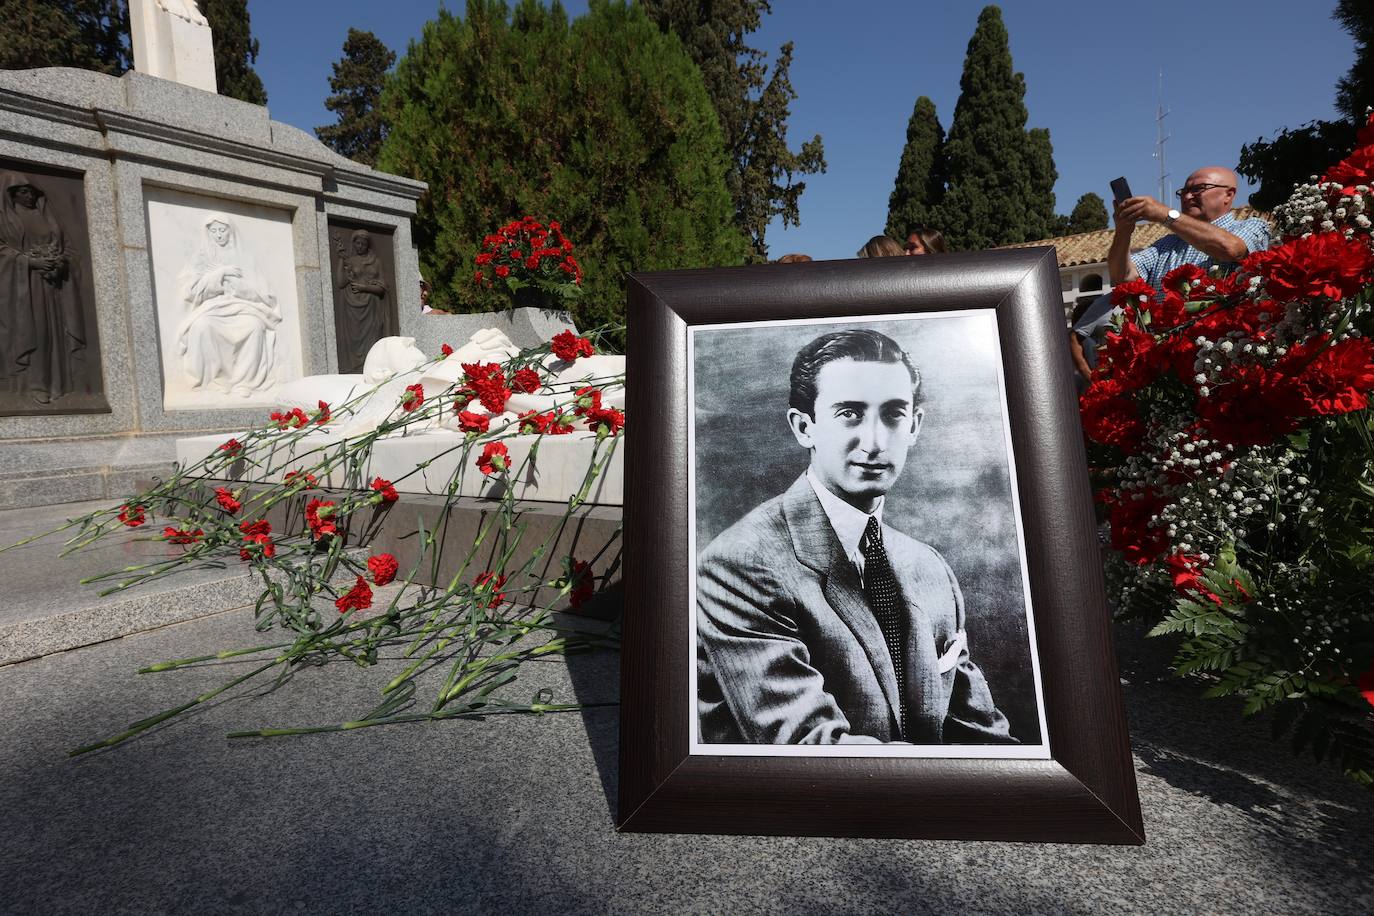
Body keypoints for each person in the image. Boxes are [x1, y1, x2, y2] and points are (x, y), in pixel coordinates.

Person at [696, 328, 1014, 745]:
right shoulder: (739, 564)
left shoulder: (930, 568)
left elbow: (982, 734)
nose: (874, 442)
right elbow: (813, 747)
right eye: (849, 413)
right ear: (803, 428)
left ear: (915, 426)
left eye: (894, 414)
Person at [1070, 166, 1272, 380]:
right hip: (1170, 370)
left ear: (1228, 194)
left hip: (1226, 365)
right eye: (1183, 191)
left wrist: (1166, 214)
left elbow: (1231, 249)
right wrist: (1123, 231)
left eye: (1198, 189)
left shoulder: (1252, 226)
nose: (1187, 196)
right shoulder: (1164, 246)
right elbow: (1123, 277)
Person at [0, 171, 90, 404]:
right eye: (23, 191)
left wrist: (59, 261)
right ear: (11, 194)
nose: (29, 196)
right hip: (22, 286)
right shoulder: (6, 218)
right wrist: (29, 262)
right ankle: (36, 383)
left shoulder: (46, 216)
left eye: (32, 191)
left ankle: (57, 383)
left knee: (53, 331)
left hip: (52, 284)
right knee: (37, 330)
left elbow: (67, 247)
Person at [175, 212, 282, 397]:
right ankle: (215, 381)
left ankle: (244, 382)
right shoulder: (201, 259)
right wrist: (220, 274)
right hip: (214, 307)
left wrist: (239, 288)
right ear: (208, 233)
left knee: (254, 326)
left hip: (243, 306)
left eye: (222, 230)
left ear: (230, 232)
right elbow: (191, 291)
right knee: (202, 327)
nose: (218, 235)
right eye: (214, 231)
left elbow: (264, 293)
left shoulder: (245, 258)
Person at [333, 229, 390, 373]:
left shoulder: (375, 262)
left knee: (371, 343)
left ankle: (372, 368)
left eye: (362, 244)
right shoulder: (349, 261)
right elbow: (340, 282)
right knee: (354, 342)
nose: (359, 246)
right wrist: (340, 259)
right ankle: (354, 367)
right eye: (357, 243)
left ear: (367, 245)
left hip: (371, 308)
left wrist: (364, 287)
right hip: (352, 309)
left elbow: (382, 287)